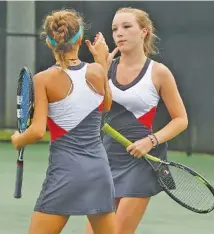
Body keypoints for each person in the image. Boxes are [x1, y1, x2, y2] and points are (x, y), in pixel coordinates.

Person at [11, 9, 116, 234]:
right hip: (99, 172)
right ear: (80, 39)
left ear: (50, 43)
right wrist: (102, 62)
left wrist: (18, 140)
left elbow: (37, 131)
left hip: (65, 174)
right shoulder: (98, 71)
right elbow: (106, 105)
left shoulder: (43, 79)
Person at [85, 7, 188, 234]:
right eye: (114, 29)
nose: (119, 33)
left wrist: (150, 141)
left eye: (126, 26)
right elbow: (92, 111)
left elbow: (181, 119)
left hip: (143, 163)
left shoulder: (159, 73)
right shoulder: (104, 68)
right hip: (106, 160)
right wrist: (100, 66)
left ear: (144, 32)